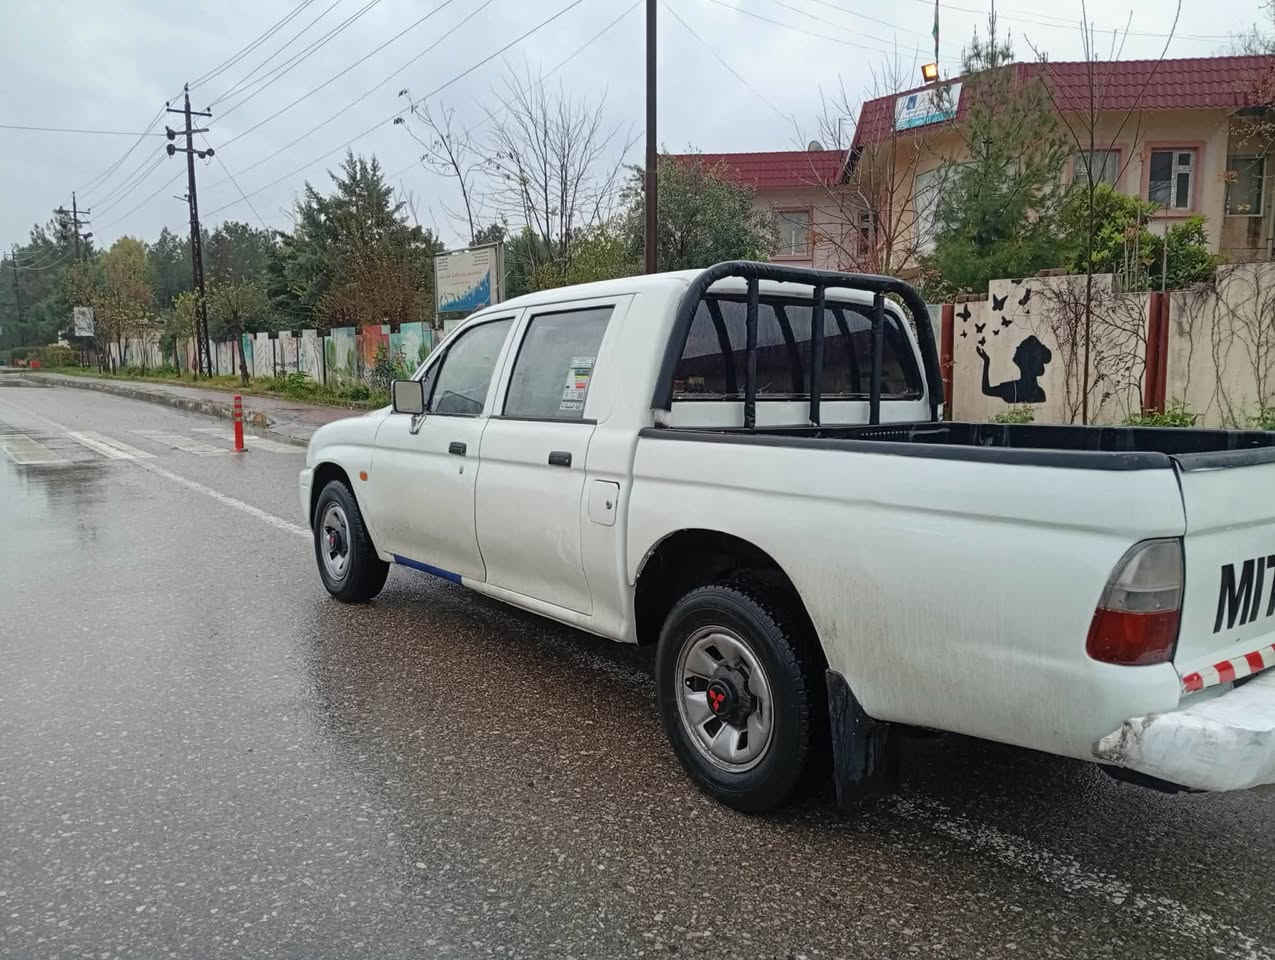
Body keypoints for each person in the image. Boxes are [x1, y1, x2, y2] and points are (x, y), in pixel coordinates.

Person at [977, 335, 1051, 404]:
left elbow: (986, 390)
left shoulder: (1014, 388)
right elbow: (986, 390)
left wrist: (987, 362)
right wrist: (986, 361)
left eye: (1020, 348)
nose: (1017, 348)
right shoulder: (1036, 389)